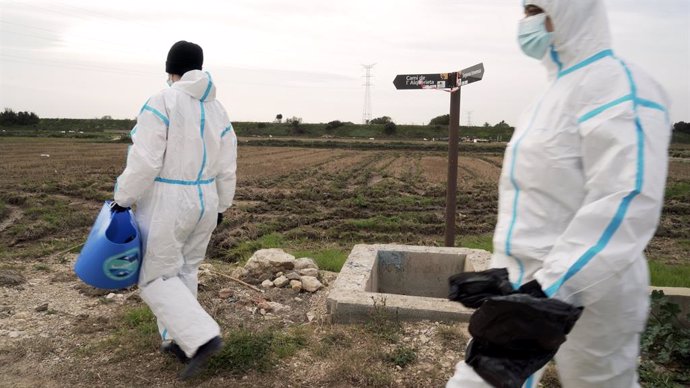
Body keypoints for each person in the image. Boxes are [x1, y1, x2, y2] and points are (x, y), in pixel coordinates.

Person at [447, 0, 671, 387]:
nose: (526, 23)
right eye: (525, 12)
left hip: (591, 289)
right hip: (534, 285)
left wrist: (550, 289)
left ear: (572, 10)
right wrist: (507, 276)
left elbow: (626, 199)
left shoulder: (618, 86)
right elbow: (538, 203)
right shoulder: (550, 96)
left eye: (536, 12)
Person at [112, 40, 238, 380]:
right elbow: (228, 166)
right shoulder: (219, 110)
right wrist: (222, 204)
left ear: (171, 70)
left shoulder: (162, 101)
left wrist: (123, 197)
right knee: (184, 270)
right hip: (206, 200)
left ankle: (201, 337)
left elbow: (146, 159)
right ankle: (177, 341)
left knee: (153, 277)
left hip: (169, 200)